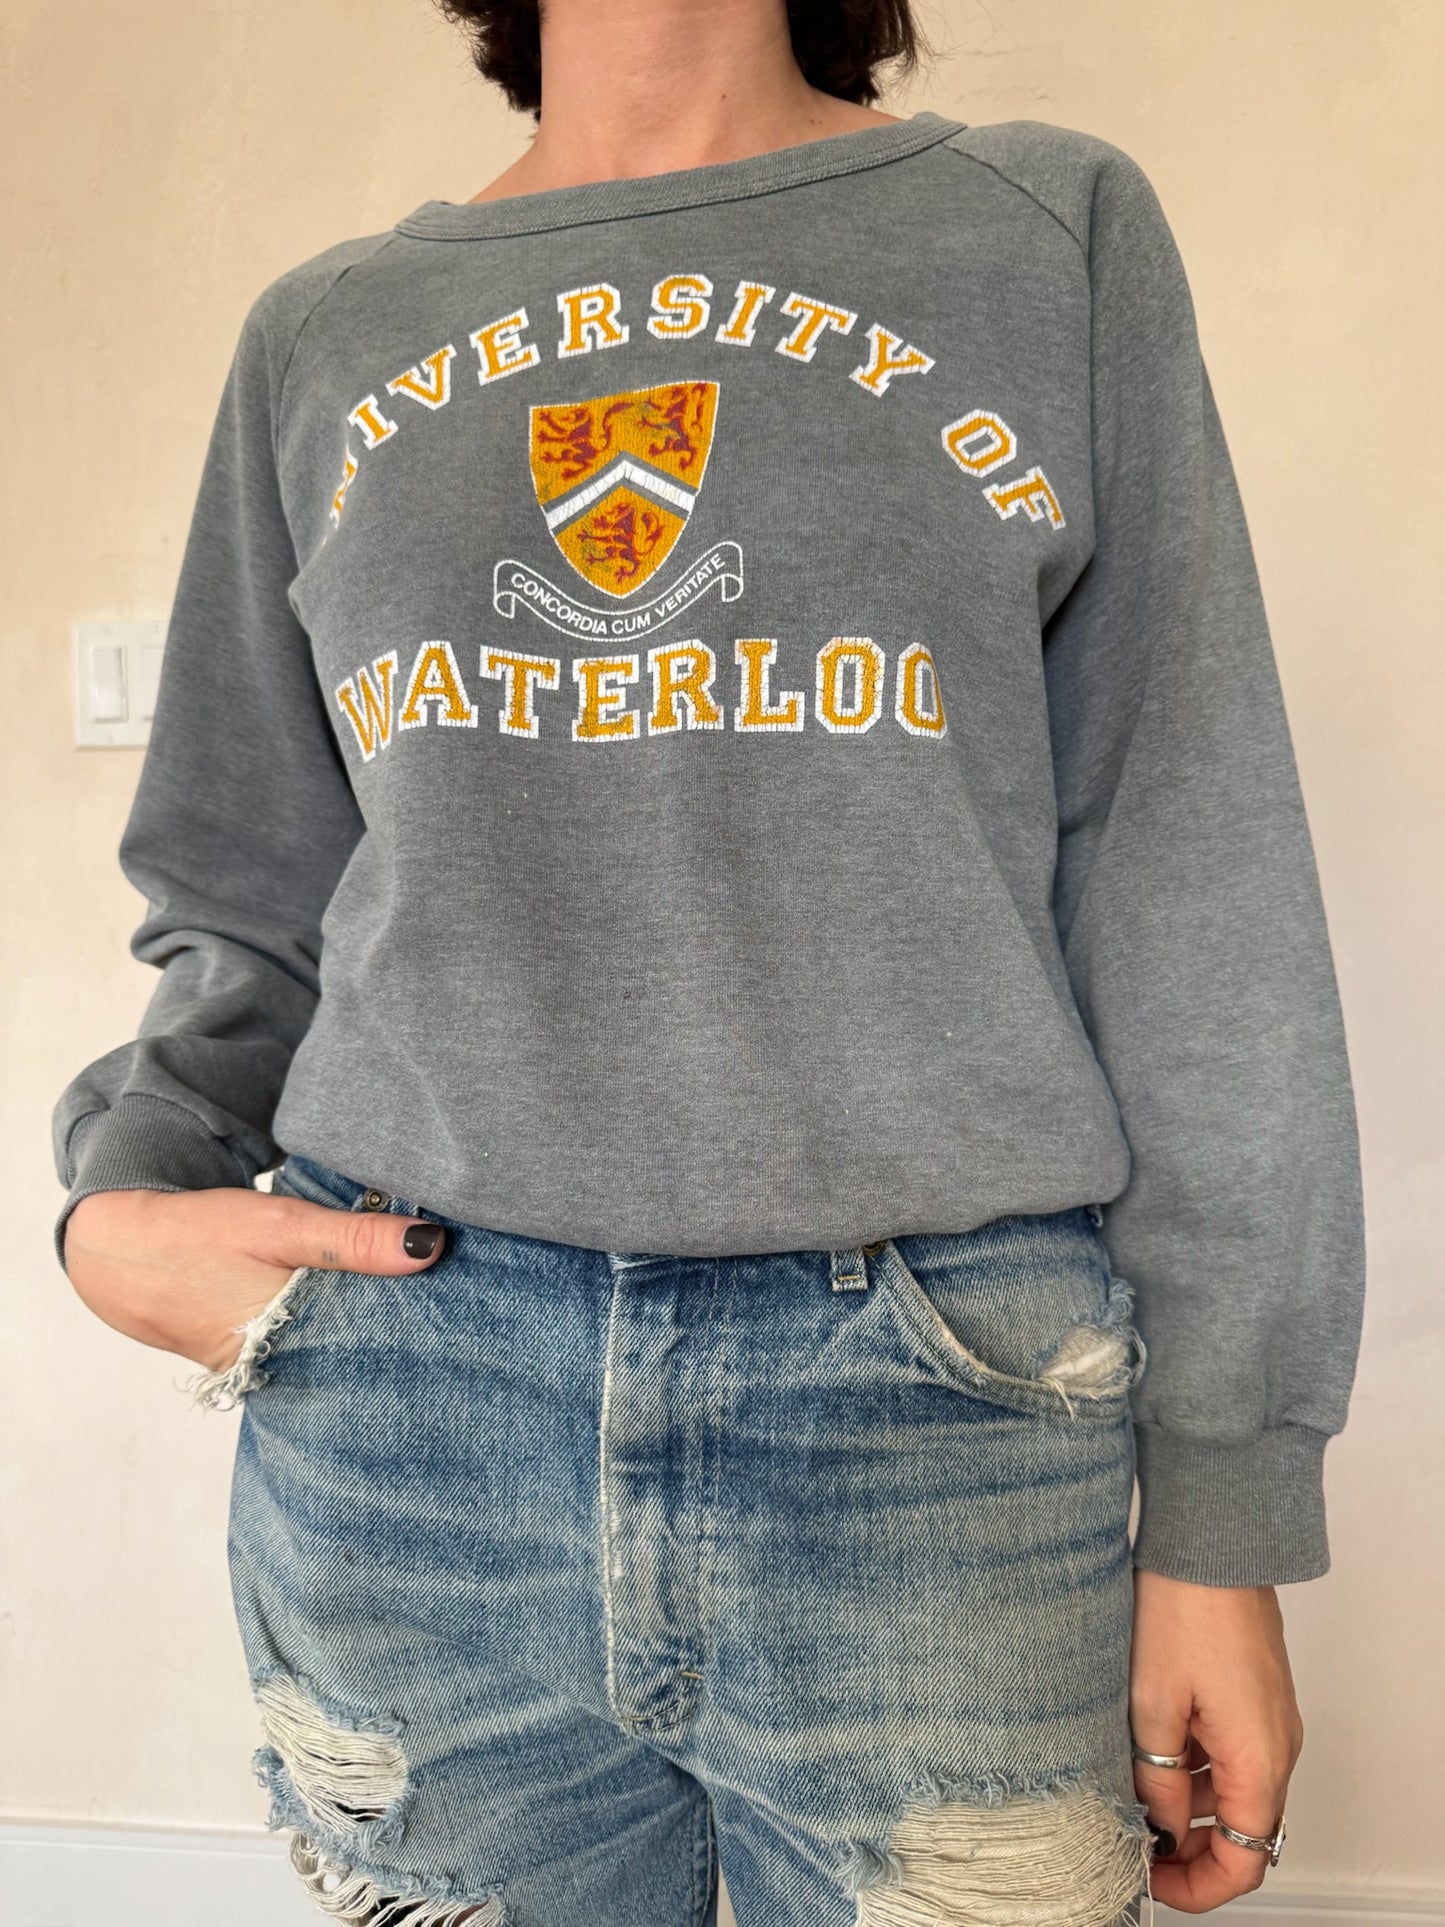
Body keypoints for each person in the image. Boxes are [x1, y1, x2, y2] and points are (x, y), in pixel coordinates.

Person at [51, 2, 1366, 1921]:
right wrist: (118, 1198)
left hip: (936, 1406)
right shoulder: (327, 328)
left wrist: (1225, 1511)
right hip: (409, 1407)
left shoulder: (1041, 229)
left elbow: (1185, 867)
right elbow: (247, 883)